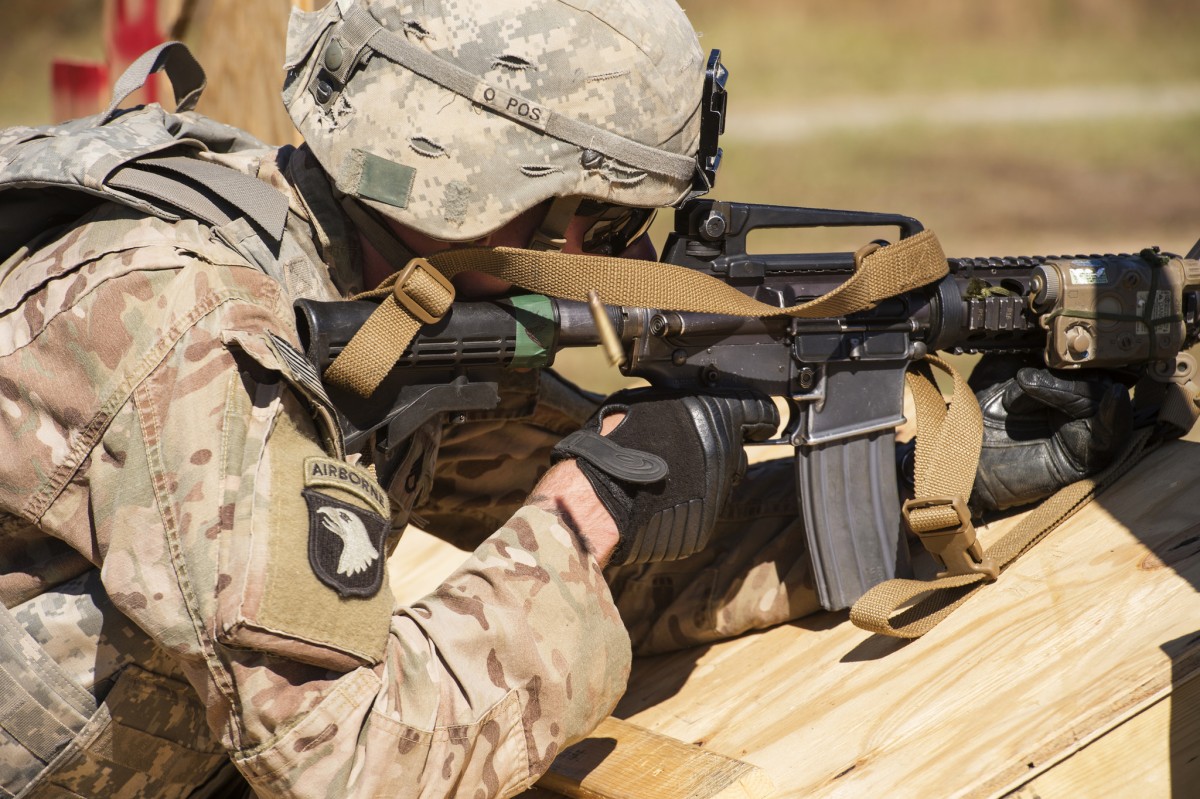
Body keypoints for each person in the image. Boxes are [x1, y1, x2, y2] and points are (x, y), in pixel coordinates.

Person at [0, 1, 1128, 797]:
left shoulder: (364, 279)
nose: (619, 255)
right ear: (501, 187)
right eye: (610, 218)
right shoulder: (194, 327)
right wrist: (589, 502)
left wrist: (936, 481)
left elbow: (615, 560)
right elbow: (358, 765)